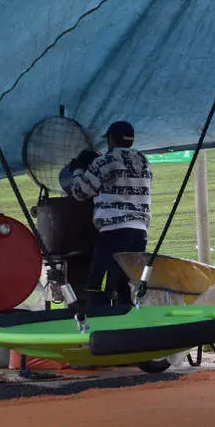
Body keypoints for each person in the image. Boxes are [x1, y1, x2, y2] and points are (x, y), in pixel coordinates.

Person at [62, 120, 152, 307]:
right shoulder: (144, 162)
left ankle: (99, 325)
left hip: (114, 232)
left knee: (98, 285)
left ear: (111, 138)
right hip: (139, 233)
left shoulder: (104, 161)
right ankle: (127, 327)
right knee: (125, 284)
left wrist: (78, 169)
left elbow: (80, 192)